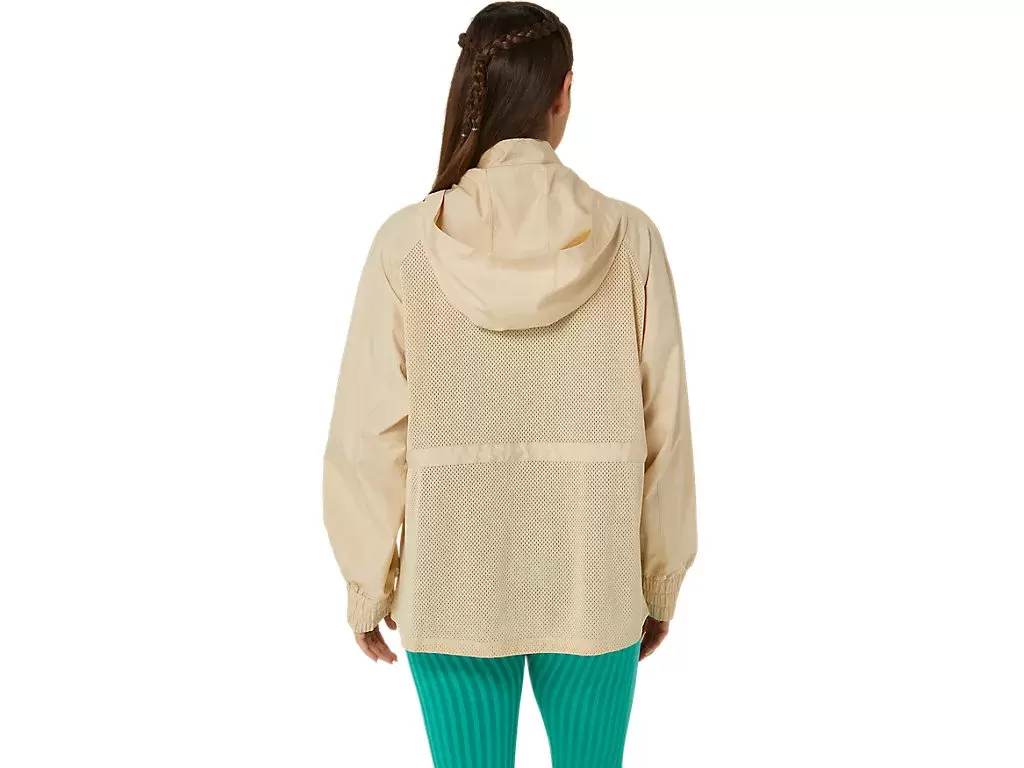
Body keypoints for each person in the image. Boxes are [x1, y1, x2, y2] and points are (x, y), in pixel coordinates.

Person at [323, 3, 696, 766]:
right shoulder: (631, 241)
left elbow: (368, 434)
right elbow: (667, 428)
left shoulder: (407, 245)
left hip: (451, 583)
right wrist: (659, 580)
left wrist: (366, 583)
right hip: (593, 578)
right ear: (563, 93)